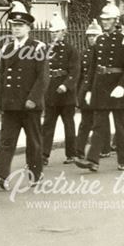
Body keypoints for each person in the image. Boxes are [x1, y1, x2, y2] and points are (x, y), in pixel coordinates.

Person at [0, 1, 49, 187]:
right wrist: (1, 103)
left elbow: (43, 77)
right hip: (11, 104)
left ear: (28, 28)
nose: (16, 29)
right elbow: (1, 78)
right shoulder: (7, 48)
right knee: (6, 140)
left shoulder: (38, 47)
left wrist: (33, 98)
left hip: (29, 104)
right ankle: (1, 175)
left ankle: (35, 173)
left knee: (33, 141)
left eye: (20, 26)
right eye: (14, 26)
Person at [75, 0, 124, 171]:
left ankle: (123, 159)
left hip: (117, 86)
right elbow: (92, 69)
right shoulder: (99, 41)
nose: (105, 22)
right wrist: (87, 89)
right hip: (100, 86)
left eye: (108, 19)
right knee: (99, 125)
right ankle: (93, 160)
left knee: (121, 126)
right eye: (103, 19)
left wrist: (122, 87)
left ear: (116, 21)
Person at [41, 13, 80, 166]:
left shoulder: (71, 50)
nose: (53, 34)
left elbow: (75, 71)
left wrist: (66, 85)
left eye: (56, 31)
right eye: (51, 32)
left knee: (68, 124)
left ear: (63, 32)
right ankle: (44, 154)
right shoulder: (45, 49)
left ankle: (71, 153)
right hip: (50, 91)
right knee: (48, 124)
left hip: (66, 93)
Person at [74, 19, 103, 162]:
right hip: (86, 91)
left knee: (99, 122)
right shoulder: (84, 54)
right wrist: (79, 94)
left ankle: (103, 149)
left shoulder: (103, 53)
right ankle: (79, 150)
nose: (92, 39)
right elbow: (80, 75)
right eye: (90, 36)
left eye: (94, 36)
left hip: (98, 90)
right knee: (85, 122)